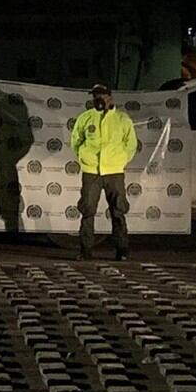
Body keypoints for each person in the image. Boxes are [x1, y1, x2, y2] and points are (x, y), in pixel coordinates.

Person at [70, 83, 138, 261]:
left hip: (114, 172)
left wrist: (120, 160)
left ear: (110, 97)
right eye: (94, 96)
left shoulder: (123, 119)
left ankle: (122, 250)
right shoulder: (85, 118)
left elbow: (131, 145)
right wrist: (85, 158)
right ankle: (85, 251)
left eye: (100, 95)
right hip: (91, 171)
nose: (97, 99)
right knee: (87, 210)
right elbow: (76, 141)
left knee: (118, 211)